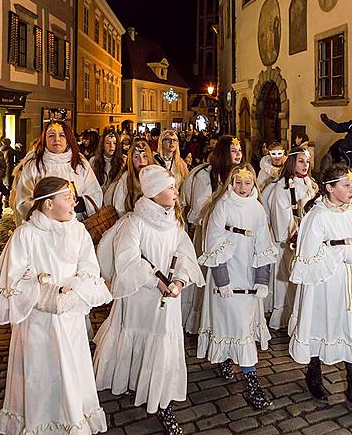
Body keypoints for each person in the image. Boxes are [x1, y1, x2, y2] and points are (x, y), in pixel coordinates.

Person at [0, 176, 112, 434]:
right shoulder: (26, 235)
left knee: (70, 370)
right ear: (48, 204)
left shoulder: (78, 230)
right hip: (37, 321)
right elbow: (12, 276)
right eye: (67, 197)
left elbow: (89, 266)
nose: (74, 201)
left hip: (69, 318)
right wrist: (45, 293)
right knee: (41, 372)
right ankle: (41, 421)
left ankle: (71, 417)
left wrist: (73, 294)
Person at [94, 165, 204, 435]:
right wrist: (156, 281)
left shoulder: (174, 222)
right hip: (140, 296)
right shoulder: (135, 222)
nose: (175, 191)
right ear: (154, 192)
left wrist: (177, 280)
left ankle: (162, 402)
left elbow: (185, 252)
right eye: (169, 187)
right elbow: (127, 260)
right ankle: (131, 380)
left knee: (163, 344)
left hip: (168, 298)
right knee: (137, 336)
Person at [288, 164, 352, 417]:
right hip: (321, 285)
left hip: (346, 287)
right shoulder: (317, 216)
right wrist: (336, 251)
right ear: (330, 188)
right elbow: (306, 258)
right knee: (317, 326)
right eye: (345, 185)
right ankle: (314, 371)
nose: (351, 190)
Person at [197, 164, 276, 410]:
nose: (243, 188)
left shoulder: (258, 210)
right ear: (231, 183)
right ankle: (251, 381)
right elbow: (213, 244)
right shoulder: (222, 207)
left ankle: (232, 360)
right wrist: (222, 280)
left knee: (243, 326)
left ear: (254, 184)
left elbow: (263, 244)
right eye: (238, 183)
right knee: (234, 324)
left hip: (249, 276)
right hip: (228, 276)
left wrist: (262, 280)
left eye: (248, 183)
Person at [182, 135, 243, 333]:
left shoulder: (239, 174)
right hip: (211, 233)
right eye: (233, 151)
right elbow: (201, 206)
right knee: (210, 276)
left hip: (235, 235)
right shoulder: (206, 175)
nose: (238, 154)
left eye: (239, 150)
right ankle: (205, 320)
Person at [263, 148, 318, 330]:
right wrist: (292, 234)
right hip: (289, 240)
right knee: (287, 278)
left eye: (307, 162)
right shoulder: (284, 185)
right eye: (301, 161)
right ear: (292, 162)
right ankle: (285, 316)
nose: (305, 165)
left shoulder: (309, 182)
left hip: (307, 237)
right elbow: (281, 213)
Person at [15, 121, 103, 225]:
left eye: (62, 135)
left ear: (68, 139)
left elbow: (95, 193)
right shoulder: (34, 165)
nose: (57, 139)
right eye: (51, 135)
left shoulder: (80, 162)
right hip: (44, 228)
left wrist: (80, 204)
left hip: (76, 226)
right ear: (44, 139)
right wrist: (50, 209)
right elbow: (23, 201)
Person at [113, 139, 155, 217]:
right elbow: (119, 208)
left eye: (145, 156)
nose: (141, 161)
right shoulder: (126, 179)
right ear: (131, 160)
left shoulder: (156, 177)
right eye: (136, 157)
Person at [90, 128, 124, 196]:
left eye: (114, 143)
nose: (111, 146)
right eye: (108, 143)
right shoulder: (93, 161)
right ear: (102, 145)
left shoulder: (123, 161)